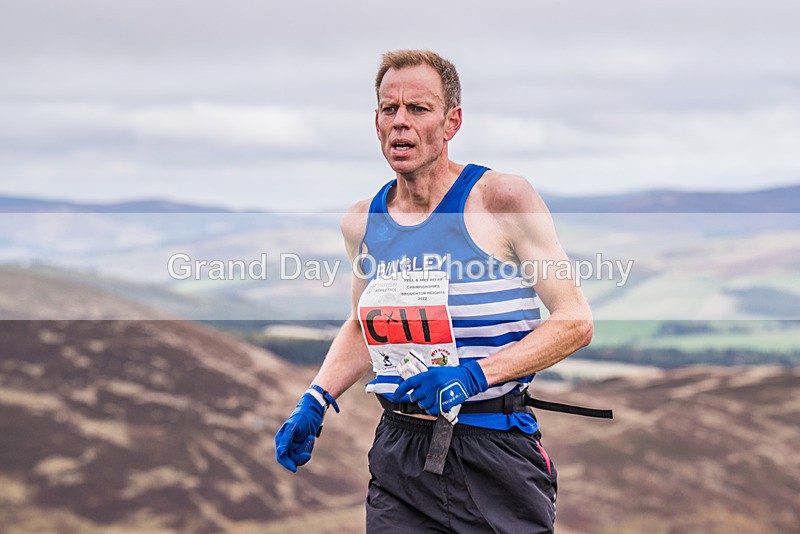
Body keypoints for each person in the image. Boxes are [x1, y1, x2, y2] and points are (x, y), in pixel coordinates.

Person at [275, 49, 607, 533]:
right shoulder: (362, 221)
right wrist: (316, 397)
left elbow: (575, 322)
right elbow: (362, 326)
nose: (400, 123)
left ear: (452, 122)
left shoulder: (502, 200)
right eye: (389, 110)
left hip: (494, 451)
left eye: (418, 109)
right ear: (376, 122)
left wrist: (473, 376)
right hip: (400, 454)